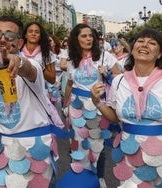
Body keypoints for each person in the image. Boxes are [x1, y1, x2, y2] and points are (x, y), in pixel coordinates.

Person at [0, 15, 66, 188]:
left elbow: (29, 69)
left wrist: (19, 61)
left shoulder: (32, 66)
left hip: (34, 150)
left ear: (19, 42)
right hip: (2, 149)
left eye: (9, 35)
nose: (3, 39)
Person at [91, 28, 162, 187]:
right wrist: (97, 102)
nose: (145, 45)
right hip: (128, 152)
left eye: (152, 43)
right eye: (140, 41)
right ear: (133, 47)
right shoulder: (119, 81)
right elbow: (116, 117)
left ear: (159, 54)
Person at [56, 23, 121, 188]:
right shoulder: (72, 60)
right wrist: (66, 104)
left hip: (98, 106)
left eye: (90, 35)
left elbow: (121, 79)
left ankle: (99, 177)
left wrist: (107, 75)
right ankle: (79, 179)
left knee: (98, 142)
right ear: (76, 39)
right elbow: (70, 84)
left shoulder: (105, 56)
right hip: (76, 108)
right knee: (77, 142)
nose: (88, 39)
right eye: (84, 36)